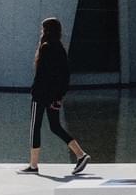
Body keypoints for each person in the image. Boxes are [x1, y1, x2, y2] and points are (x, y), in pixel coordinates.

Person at [19, 18, 90, 174]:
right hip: (53, 97)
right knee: (55, 126)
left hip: (40, 95)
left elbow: (42, 75)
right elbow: (65, 76)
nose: (41, 31)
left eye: (43, 29)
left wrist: (35, 92)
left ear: (47, 30)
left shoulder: (45, 47)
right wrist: (58, 97)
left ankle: (33, 165)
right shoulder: (60, 49)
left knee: (35, 128)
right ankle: (80, 154)